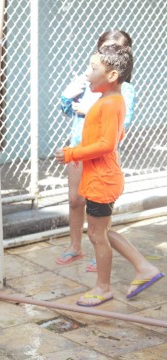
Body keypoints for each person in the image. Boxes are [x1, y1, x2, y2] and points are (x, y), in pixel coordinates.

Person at [55, 45, 163, 307]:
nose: (88, 73)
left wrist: (72, 153)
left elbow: (106, 144)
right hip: (99, 177)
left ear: (112, 75)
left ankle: (103, 287)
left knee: (96, 234)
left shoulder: (112, 103)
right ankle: (143, 267)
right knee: (99, 231)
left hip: (103, 179)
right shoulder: (107, 100)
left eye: (93, 69)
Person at [56, 30, 136, 272]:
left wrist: (89, 108)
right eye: (104, 49)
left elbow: (113, 135)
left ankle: (101, 257)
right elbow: (68, 108)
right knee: (75, 200)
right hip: (79, 150)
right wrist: (68, 98)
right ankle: (76, 246)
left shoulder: (115, 96)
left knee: (98, 219)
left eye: (114, 49)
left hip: (97, 159)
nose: (88, 72)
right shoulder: (94, 84)